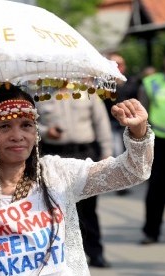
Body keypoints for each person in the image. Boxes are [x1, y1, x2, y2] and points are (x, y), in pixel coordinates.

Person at [0, 83, 153, 276]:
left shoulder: (57, 174)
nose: (18, 136)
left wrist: (139, 132)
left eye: (26, 125)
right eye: (4, 126)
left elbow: (132, 171)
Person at [35, 87, 113, 268]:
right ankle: (58, 256)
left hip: (84, 152)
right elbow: (30, 122)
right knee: (54, 207)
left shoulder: (87, 92)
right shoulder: (39, 93)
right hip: (53, 153)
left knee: (88, 209)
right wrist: (46, 131)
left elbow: (101, 123)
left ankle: (96, 253)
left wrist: (107, 153)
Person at [139, 40, 165, 245]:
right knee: (157, 190)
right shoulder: (151, 82)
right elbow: (141, 115)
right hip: (160, 143)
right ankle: (151, 231)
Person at [104, 52, 141, 196]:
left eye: (119, 64)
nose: (117, 67)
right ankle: (121, 184)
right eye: (113, 64)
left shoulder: (133, 82)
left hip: (130, 124)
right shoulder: (104, 84)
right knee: (117, 153)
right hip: (113, 124)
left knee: (133, 153)